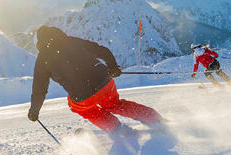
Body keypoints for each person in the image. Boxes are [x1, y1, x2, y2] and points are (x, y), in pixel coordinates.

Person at [28, 26, 161, 134]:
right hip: (105, 82)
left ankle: (114, 127)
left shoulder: (42, 60)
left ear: (39, 43)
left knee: (78, 106)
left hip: (82, 95)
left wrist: (34, 110)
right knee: (114, 104)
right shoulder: (73, 41)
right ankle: (153, 117)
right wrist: (113, 67)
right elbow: (102, 51)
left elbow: (39, 90)